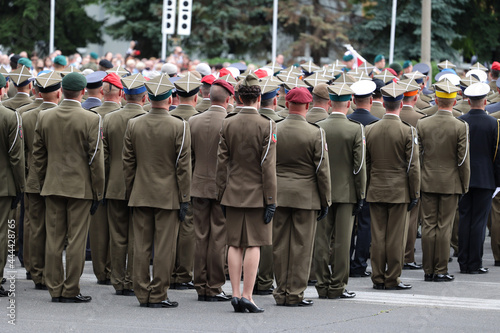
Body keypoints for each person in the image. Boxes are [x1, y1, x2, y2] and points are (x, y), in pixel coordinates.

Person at [32, 72, 105, 303]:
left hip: (52, 185)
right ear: (83, 92)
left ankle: (55, 288)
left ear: (61, 91)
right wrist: (98, 191)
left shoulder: (44, 116)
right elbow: (96, 160)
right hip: (80, 188)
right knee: (76, 240)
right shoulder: (91, 119)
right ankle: (71, 288)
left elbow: (38, 156)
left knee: (54, 239)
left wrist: (44, 182)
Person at [123, 74, 191, 308]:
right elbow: (183, 167)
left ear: (148, 98)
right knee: (164, 247)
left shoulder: (134, 123)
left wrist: (131, 191)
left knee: (140, 246)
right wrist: (184, 198)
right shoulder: (179, 125)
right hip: (168, 196)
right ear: (170, 98)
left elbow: (128, 164)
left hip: (140, 193)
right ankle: (159, 293)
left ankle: (142, 293)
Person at [215, 73, 277, 313]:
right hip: (257, 194)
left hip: (232, 191)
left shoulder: (228, 122)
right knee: (253, 244)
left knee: (234, 244)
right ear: (259, 98)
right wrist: (271, 199)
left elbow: (222, 163)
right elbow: (267, 166)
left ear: (238, 97)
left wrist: (221, 192)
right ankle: (248, 296)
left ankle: (236, 293)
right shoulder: (267, 124)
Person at [273, 87, 331, 307]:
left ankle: (281, 291)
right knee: (302, 246)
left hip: (279, 193)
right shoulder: (315, 132)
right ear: (307, 106)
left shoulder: (275, 128)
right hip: (306, 196)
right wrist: (325, 199)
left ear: (287, 105)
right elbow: (322, 170)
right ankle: (295, 292)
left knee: (279, 245)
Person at [366, 81, 420, 290]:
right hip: (399, 191)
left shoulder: (370, 129)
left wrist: (369, 187)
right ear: (399, 103)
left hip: (376, 189)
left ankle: (378, 277)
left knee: (378, 236)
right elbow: (413, 167)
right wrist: (414, 192)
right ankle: (392, 278)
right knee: (396, 237)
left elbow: (367, 164)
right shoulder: (408, 131)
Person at [314, 83, 365, 299]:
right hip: (346, 193)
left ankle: (322, 284)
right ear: (348, 103)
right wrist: (361, 193)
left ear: (330, 103)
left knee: (321, 240)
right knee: (342, 242)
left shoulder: (318, 126)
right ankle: (337, 286)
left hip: (320, 192)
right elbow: (359, 166)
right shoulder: (355, 128)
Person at [417, 80, 470, 282]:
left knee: (429, 225)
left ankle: (428, 269)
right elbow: (463, 160)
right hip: (450, 182)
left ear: (437, 100)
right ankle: (440, 269)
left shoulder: (423, 123)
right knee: (444, 226)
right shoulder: (460, 126)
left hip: (427, 180)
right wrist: (465, 184)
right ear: (454, 100)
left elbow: (418, 157)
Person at [189, 79, 234, 302]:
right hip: (221, 187)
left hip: (198, 184)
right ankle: (214, 286)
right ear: (228, 99)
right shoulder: (230, 122)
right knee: (218, 238)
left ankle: (200, 284)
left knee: (200, 236)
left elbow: (189, 157)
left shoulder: (193, 121)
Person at [103, 73, 146, 296]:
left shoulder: (109, 118)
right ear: (145, 97)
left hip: (115, 184)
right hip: (141, 186)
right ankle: (131, 279)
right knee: (137, 236)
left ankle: (118, 280)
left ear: (123, 94)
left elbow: (104, 156)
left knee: (117, 235)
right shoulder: (147, 117)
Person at [22, 71, 62, 290]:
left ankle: (35, 271)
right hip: (57, 180)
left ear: (37, 91)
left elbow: (22, 152)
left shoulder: (26, 116)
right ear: (58, 93)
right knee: (56, 228)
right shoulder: (62, 115)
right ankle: (51, 272)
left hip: (34, 178)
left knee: (35, 226)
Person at [458, 82, 500, 274]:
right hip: (486, 179)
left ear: (468, 100)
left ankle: (463, 261)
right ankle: (474, 263)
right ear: (485, 101)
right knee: (479, 222)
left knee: (465, 218)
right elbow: (497, 155)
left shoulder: (460, 121)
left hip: (463, 178)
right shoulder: (493, 123)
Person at [169, 72, 202, 290]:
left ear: (175, 96)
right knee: (188, 227)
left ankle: (168, 270)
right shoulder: (201, 118)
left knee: (168, 230)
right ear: (196, 97)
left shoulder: (167, 117)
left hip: (165, 180)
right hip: (191, 179)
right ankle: (182, 273)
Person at [347, 80, 378, 278]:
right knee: (366, 223)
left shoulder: (347, 121)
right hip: (369, 181)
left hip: (347, 181)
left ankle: (344, 261)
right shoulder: (376, 123)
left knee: (348, 225)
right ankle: (359, 264)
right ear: (371, 100)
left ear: (352, 100)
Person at [0, 73, 25, 297]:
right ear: (4, 88)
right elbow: (16, 157)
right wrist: (21, 186)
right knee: (1, 233)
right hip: (2, 185)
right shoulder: (9, 116)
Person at [398, 79, 426, 271]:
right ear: (415, 98)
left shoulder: (387, 116)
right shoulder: (421, 119)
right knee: (411, 219)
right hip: (414, 173)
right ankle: (407, 256)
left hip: (387, 176)